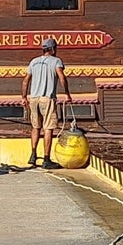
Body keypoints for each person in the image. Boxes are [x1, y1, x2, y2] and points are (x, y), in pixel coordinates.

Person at [20, 38, 73, 168]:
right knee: (48, 128)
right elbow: (61, 77)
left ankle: (33, 155)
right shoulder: (56, 61)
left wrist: (24, 97)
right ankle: (46, 159)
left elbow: (25, 81)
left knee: (35, 127)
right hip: (47, 98)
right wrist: (67, 94)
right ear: (53, 49)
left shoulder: (34, 62)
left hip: (33, 98)